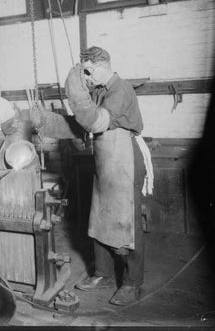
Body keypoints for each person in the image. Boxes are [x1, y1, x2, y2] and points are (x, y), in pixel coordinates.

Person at [62, 46, 153, 306]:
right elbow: (81, 122)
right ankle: (102, 273)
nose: (86, 79)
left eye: (88, 72)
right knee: (100, 217)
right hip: (105, 159)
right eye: (84, 74)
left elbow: (97, 122)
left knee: (128, 224)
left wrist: (75, 89)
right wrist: (50, 121)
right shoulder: (99, 90)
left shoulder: (120, 89)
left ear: (101, 66)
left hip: (125, 158)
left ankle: (132, 283)